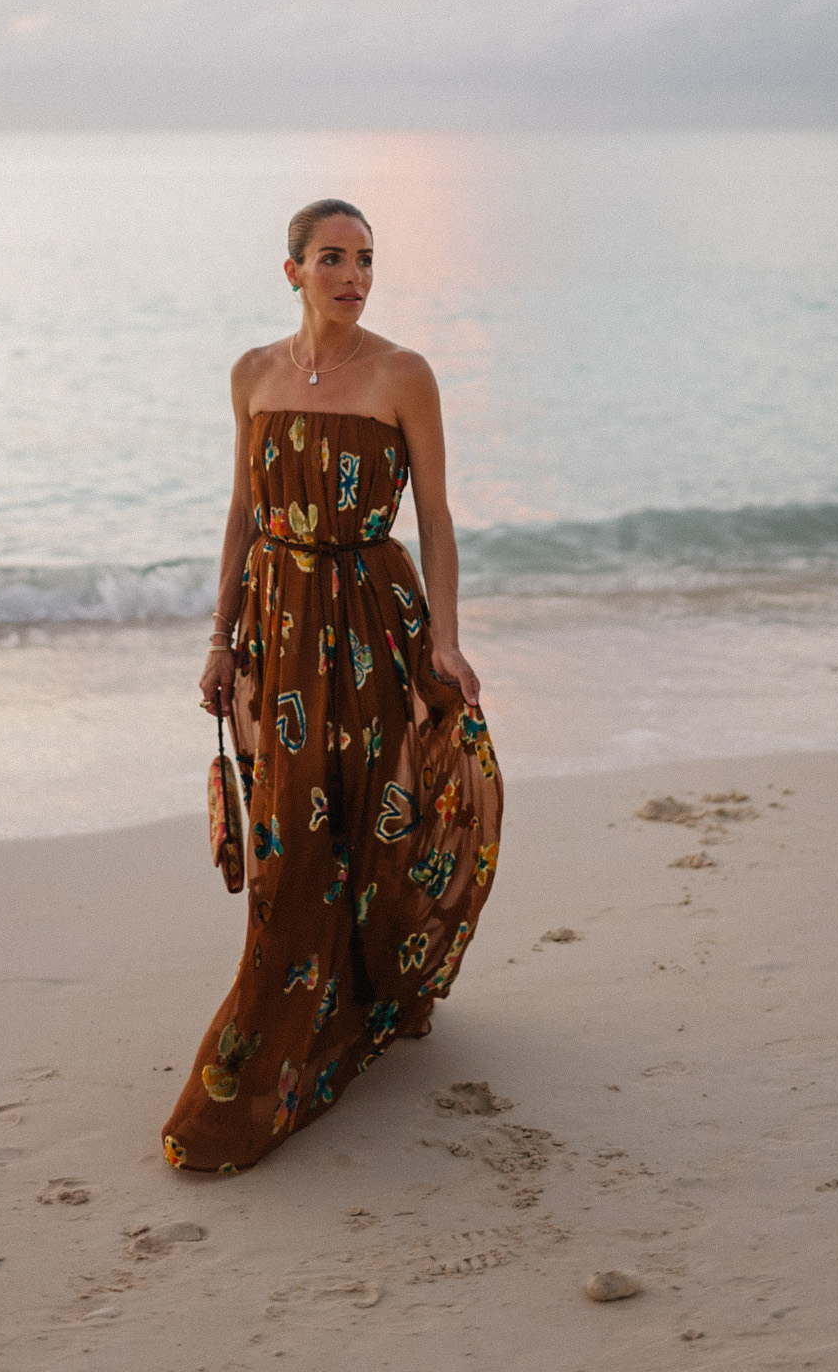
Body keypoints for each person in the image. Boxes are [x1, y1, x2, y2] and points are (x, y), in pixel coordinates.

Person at [162, 198, 503, 1171]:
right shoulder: (252, 375)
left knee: (374, 814)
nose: (352, 277)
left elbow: (434, 519)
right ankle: (269, 1039)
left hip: (369, 616)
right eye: (331, 259)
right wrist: (221, 638)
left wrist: (445, 636)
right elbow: (241, 512)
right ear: (292, 271)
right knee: (290, 833)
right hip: (276, 621)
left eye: (365, 260)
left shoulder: (403, 375)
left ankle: (372, 1001)